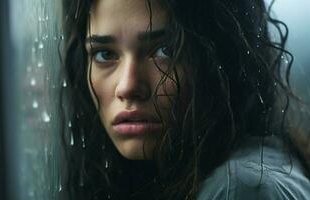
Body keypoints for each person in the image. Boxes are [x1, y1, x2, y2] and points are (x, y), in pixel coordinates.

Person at [62, 0, 310, 199]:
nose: (127, 87)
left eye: (165, 51)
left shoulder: (239, 188)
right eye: (105, 54)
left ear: (221, 60)